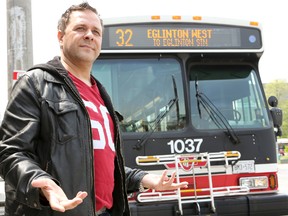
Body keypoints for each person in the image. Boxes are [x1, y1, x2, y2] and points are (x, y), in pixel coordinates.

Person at [0, 2, 188, 216]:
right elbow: (10, 152)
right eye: (80, 28)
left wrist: (143, 178)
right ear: (60, 37)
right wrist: (39, 182)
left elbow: (96, 165)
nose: (89, 35)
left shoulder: (101, 96)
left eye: (96, 32)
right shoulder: (35, 83)